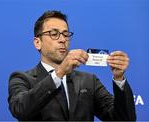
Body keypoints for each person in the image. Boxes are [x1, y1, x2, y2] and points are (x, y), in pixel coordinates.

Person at [8, 10, 136, 121]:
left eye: (65, 34)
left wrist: (119, 79)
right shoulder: (21, 79)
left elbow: (123, 119)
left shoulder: (89, 81)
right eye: (54, 34)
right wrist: (59, 73)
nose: (63, 39)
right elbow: (21, 110)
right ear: (37, 43)